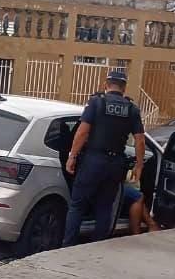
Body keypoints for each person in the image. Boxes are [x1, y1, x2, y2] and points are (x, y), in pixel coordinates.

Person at [62, 70, 145, 246]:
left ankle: (67, 246)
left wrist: (72, 156)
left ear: (106, 84)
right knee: (105, 207)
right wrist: (139, 166)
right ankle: (97, 247)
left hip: (93, 161)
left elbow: (82, 132)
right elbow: (140, 140)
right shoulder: (132, 109)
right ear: (124, 87)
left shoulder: (96, 103)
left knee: (77, 206)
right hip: (115, 164)